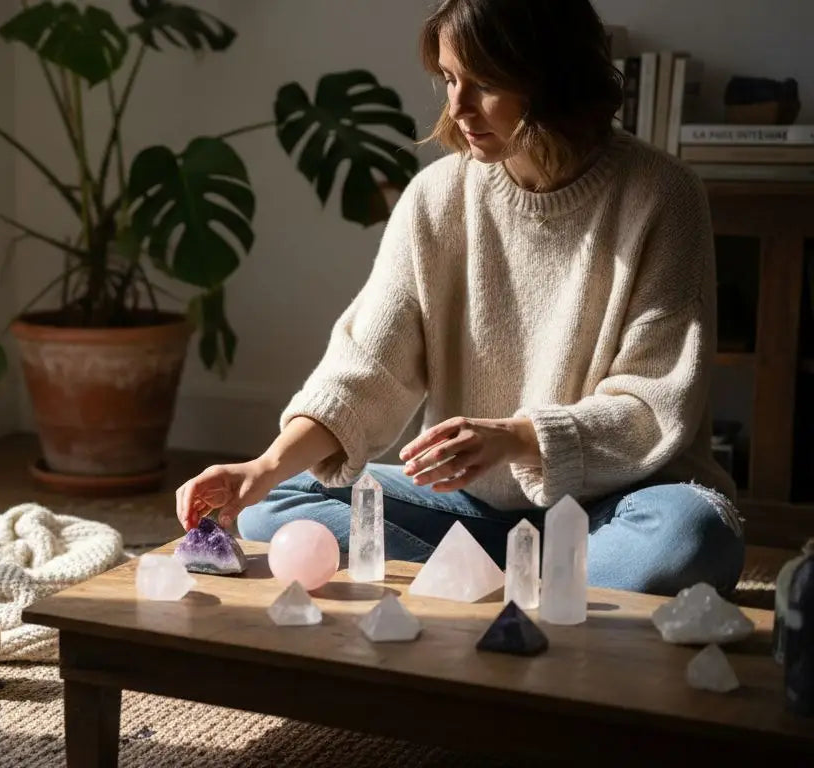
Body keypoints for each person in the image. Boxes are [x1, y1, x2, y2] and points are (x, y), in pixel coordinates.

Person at [174, 0, 745, 596]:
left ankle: (481, 582)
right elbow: (366, 368)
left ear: (553, 79)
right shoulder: (436, 197)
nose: (457, 107)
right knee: (276, 504)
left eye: (486, 84)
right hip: (475, 512)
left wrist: (519, 438)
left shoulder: (664, 195)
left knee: (692, 537)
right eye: (449, 79)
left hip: (618, 509)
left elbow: (653, 405)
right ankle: (531, 585)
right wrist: (261, 468)